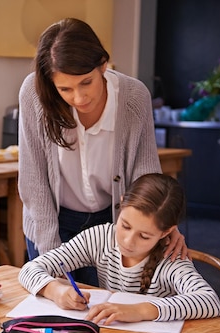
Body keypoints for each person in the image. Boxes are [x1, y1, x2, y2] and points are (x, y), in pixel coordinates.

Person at [18, 18, 187, 286]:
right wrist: (52, 256)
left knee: (107, 312)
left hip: (112, 223)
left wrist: (160, 220)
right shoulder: (34, 95)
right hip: (50, 220)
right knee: (57, 312)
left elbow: (146, 175)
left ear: (103, 65)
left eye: (87, 82)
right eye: (65, 89)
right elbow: (34, 180)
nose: (79, 98)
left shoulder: (133, 97)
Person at [18, 173, 220, 324]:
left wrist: (141, 310)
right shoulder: (100, 238)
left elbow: (209, 301)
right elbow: (30, 269)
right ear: (122, 204)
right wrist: (56, 291)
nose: (128, 241)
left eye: (144, 236)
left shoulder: (171, 258)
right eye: (125, 225)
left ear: (166, 232)